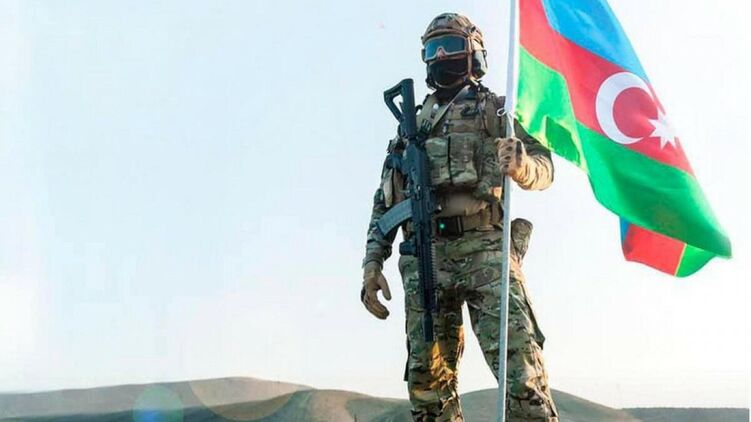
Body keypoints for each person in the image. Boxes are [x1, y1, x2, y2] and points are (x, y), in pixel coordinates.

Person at [360, 13, 559, 422]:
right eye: (432, 50)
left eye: (449, 46)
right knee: (428, 387)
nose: (440, 57)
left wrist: (522, 165)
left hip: (486, 251)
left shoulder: (497, 111)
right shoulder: (411, 128)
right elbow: (385, 201)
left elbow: (545, 168)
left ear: (473, 54)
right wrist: (372, 264)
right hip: (425, 258)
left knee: (522, 376)